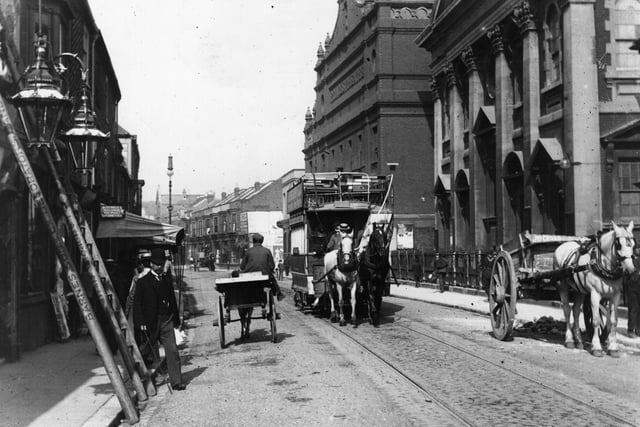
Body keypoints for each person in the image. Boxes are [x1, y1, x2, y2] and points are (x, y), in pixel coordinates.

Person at [133, 248, 185, 391]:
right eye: (156, 264)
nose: (159, 266)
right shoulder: (143, 282)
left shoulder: (166, 280)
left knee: (172, 350)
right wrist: (140, 323)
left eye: (161, 264)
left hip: (166, 320)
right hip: (151, 322)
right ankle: (137, 378)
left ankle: (176, 381)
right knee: (145, 351)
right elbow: (137, 305)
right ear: (151, 264)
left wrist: (176, 320)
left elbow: (172, 300)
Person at [240, 233, 283, 301]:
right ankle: (278, 293)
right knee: (273, 279)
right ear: (262, 241)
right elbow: (272, 266)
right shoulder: (267, 251)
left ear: (253, 241)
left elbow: (242, 266)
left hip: (250, 278)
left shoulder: (248, 251)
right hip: (264, 278)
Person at [125, 251, 151, 336]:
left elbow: (131, 296)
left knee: (138, 334)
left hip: (138, 310)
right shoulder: (157, 277)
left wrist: (127, 311)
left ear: (142, 264)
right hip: (151, 310)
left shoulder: (137, 278)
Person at [623, 247, 640, 338]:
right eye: (637, 248)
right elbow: (626, 274)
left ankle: (638, 329)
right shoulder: (630, 260)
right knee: (633, 309)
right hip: (633, 287)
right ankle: (631, 330)